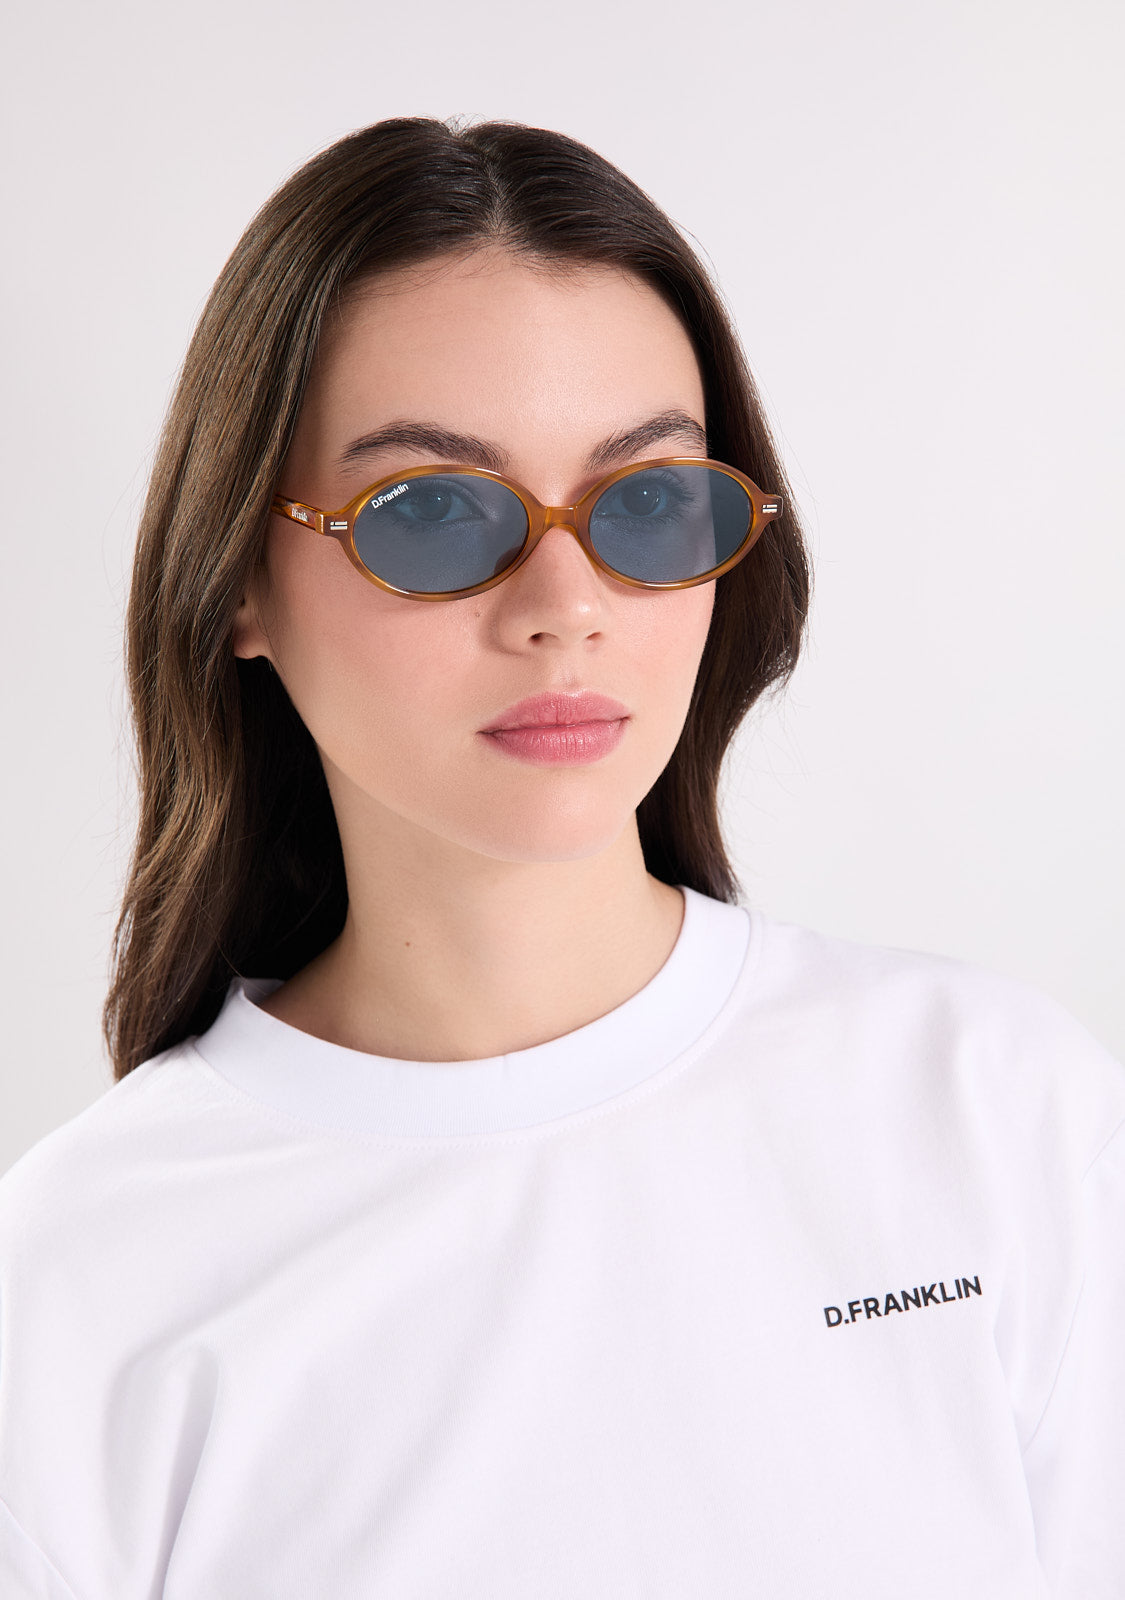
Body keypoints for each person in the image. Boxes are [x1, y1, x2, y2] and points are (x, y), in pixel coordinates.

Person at [0, 116, 1121, 1600]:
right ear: (239, 582)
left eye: (646, 501)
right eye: (430, 514)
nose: (564, 604)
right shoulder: (79, 1280)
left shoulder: (993, 1110)